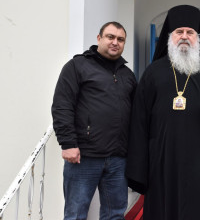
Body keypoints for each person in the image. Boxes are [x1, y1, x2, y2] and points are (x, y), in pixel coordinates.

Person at [126, 5, 200, 220]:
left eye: (190, 32)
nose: (184, 37)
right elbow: (139, 120)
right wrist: (139, 167)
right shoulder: (153, 72)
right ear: (170, 37)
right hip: (163, 159)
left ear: (198, 37)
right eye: (179, 32)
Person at [51, 21, 137, 220]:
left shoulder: (127, 75)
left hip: (118, 158)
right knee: (75, 214)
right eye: (110, 37)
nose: (115, 42)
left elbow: (136, 113)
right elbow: (62, 105)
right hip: (83, 156)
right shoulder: (77, 66)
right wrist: (68, 143)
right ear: (99, 38)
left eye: (120, 39)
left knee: (115, 214)